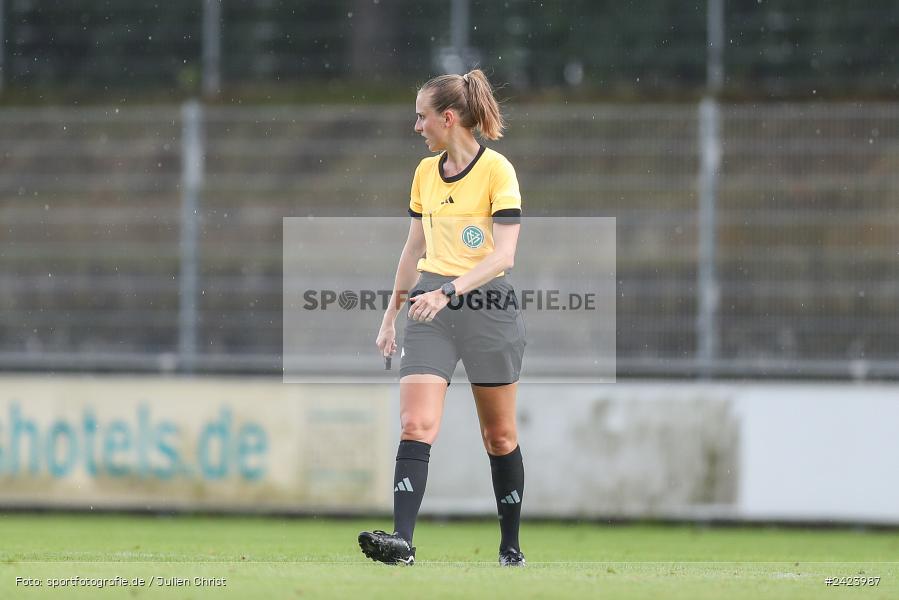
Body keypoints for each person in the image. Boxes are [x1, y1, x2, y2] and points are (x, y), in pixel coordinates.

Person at [358, 69, 526, 567]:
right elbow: (413, 250)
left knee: (499, 436)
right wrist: (390, 316)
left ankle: (510, 548)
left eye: (421, 116)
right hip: (430, 304)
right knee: (416, 423)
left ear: (447, 118)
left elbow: (503, 256)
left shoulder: (498, 170)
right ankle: (402, 542)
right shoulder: (424, 174)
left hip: (485, 306)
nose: (417, 126)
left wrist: (451, 291)